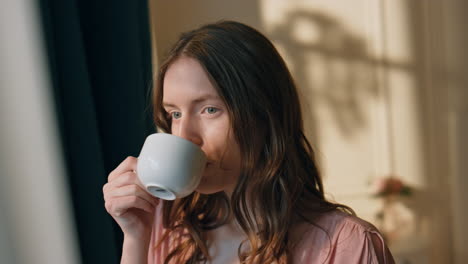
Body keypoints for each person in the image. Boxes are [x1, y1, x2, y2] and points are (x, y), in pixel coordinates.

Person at [103, 21, 395, 264]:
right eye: (175, 114)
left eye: (210, 110)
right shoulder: (167, 230)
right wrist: (135, 237)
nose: (183, 136)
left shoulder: (347, 245)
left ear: (264, 115)